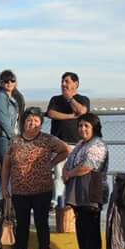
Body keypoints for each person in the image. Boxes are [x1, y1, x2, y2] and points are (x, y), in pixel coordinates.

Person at [1, 108, 69, 249]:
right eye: (29, 120)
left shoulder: (48, 139)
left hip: (42, 190)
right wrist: (5, 187)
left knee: (41, 222)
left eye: (36, 120)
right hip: (19, 190)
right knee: (22, 223)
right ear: (23, 123)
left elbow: (65, 150)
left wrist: (51, 163)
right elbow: (6, 165)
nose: (33, 123)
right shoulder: (15, 141)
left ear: (41, 123)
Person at [63, 114, 109, 249]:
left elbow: (88, 166)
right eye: (80, 125)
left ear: (94, 128)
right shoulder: (82, 144)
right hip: (78, 191)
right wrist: (65, 171)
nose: (82, 129)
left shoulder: (98, 145)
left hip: (91, 190)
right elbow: (69, 161)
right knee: (81, 227)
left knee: (91, 228)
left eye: (86, 126)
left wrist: (69, 174)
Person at [47, 72, 91, 209]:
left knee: (76, 174)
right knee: (59, 174)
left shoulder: (83, 99)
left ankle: (74, 202)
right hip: (58, 144)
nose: (63, 84)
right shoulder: (55, 99)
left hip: (76, 144)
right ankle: (57, 202)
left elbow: (82, 111)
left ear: (75, 84)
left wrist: (70, 99)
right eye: (62, 81)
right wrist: (71, 116)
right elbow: (51, 113)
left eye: (66, 81)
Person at [0, 70, 25, 202]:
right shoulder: (1, 97)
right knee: (8, 169)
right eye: (5, 81)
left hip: (11, 137)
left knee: (9, 169)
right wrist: (14, 137)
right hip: (4, 138)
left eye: (12, 80)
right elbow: (3, 119)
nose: (9, 83)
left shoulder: (13, 97)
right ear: (1, 83)